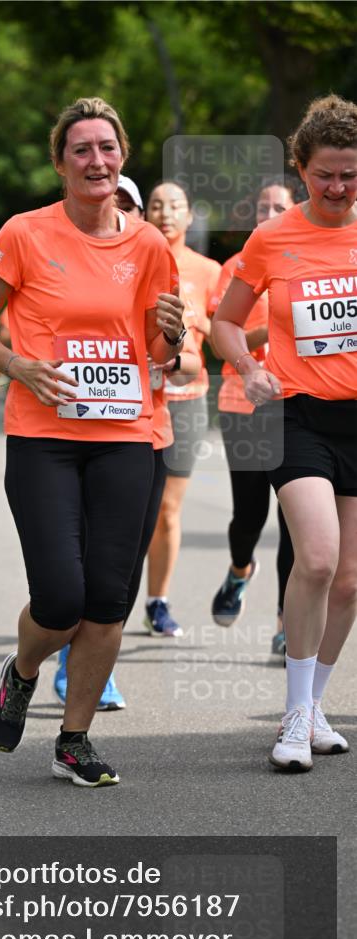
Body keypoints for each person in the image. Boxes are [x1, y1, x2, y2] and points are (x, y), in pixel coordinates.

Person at [0, 97, 185, 787]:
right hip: (45, 435)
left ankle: (74, 739)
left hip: (127, 433)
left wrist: (173, 338)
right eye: (81, 149)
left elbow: (156, 354)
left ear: (122, 159)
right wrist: (20, 366)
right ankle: (22, 670)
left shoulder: (147, 244)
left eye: (106, 148)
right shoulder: (25, 234)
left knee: (107, 599)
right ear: (60, 163)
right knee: (60, 597)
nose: (96, 160)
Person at [212, 94, 357, 772]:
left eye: (350, 174)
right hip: (295, 414)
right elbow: (224, 321)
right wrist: (248, 367)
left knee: (351, 580)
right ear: (301, 171)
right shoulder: (273, 238)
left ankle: (315, 702)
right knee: (319, 559)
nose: (337, 187)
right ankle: (292, 720)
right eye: (325, 174)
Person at [53, 333, 202, 710]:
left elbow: (194, 365)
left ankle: (96, 659)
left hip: (145, 439)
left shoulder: (157, 296)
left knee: (125, 564)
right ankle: (73, 656)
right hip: (74, 438)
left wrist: (173, 362)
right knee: (79, 556)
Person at [208, 182, 297, 655]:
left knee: (294, 522)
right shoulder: (235, 268)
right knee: (249, 515)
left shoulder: (305, 259)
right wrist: (282, 323)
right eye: (262, 206)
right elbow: (223, 332)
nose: (269, 212)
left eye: (279, 206)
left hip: (295, 406)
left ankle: (286, 622)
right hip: (242, 405)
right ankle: (240, 569)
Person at [143, 182, 221, 637]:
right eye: (157, 205)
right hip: (136, 399)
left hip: (187, 401)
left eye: (175, 206)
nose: (165, 213)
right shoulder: (133, 260)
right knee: (136, 510)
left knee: (168, 510)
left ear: (190, 217)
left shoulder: (208, 270)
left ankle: (158, 600)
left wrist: (194, 321)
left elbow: (224, 328)